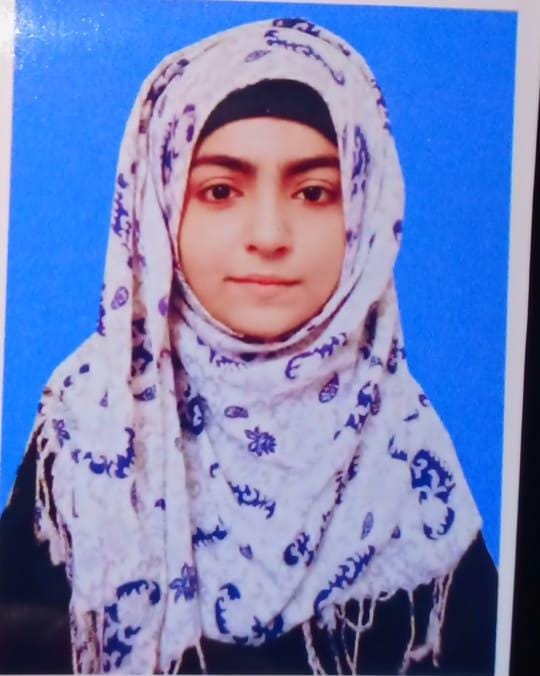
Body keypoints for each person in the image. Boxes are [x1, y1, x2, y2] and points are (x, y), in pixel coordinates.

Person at [0, 17, 497, 675]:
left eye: (314, 192)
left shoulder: (405, 452)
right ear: (160, 205)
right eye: (220, 190)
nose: (268, 234)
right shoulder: (88, 425)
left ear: (366, 213)